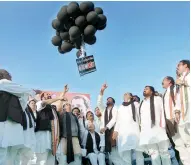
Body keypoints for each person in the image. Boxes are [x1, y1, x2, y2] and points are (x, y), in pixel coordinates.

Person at [0, 69, 35, 165]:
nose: (11, 78)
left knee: (12, 155)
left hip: (11, 125)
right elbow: (24, 90)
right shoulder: (3, 83)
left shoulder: (11, 90)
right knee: (3, 154)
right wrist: (34, 91)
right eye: (9, 75)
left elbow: (22, 105)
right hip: (4, 124)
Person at [139, 86, 171, 165]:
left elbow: (164, 111)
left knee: (164, 152)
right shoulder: (142, 103)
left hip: (159, 129)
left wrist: (165, 125)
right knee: (153, 154)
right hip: (147, 132)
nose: (144, 90)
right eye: (144, 89)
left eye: (146, 89)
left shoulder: (158, 99)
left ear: (152, 92)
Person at [112, 92, 144, 165]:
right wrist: (116, 131)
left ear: (131, 96)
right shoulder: (120, 107)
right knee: (126, 155)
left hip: (135, 131)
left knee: (139, 152)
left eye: (127, 94)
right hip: (123, 133)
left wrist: (143, 127)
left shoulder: (136, 104)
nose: (125, 95)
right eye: (124, 94)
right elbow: (118, 120)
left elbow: (141, 116)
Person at [34, 91, 64, 165]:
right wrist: (58, 98)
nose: (49, 96)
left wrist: (63, 92)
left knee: (50, 160)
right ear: (42, 97)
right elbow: (45, 102)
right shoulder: (39, 104)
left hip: (52, 136)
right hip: (41, 134)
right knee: (41, 160)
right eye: (47, 94)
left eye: (50, 95)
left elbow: (59, 106)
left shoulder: (52, 109)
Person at [56, 85, 82, 165]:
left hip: (74, 138)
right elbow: (58, 106)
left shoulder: (74, 116)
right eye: (66, 104)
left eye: (69, 104)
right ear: (63, 107)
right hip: (65, 138)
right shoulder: (62, 114)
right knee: (63, 156)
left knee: (77, 155)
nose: (69, 105)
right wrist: (64, 92)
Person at [97, 83, 119, 165]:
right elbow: (99, 102)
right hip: (104, 135)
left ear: (113, 102)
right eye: (107, 100)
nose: (107, 101)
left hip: (112, 133)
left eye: (109, 100)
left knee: (115, 155)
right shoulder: (103, 110)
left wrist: (106, 127)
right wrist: (102, 91)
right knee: (110, 156)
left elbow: (114, 119)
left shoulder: (115, 108)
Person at [174, 60, 190, 165]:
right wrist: (177, 111)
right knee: (187, 141)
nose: (177, 67)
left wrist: (184, 83)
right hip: (184, 113)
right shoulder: (180, 80)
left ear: (186, 65)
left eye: (179, 65)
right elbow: (179, 98)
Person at [14, 98, 37, 165]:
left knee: (27, 160)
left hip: (31, 140)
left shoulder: (33, 114)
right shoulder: (25, 111)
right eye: (32, 103)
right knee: (20, 159)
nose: (34, 104)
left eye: (34, 103)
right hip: (24, 140)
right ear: (28, 104)